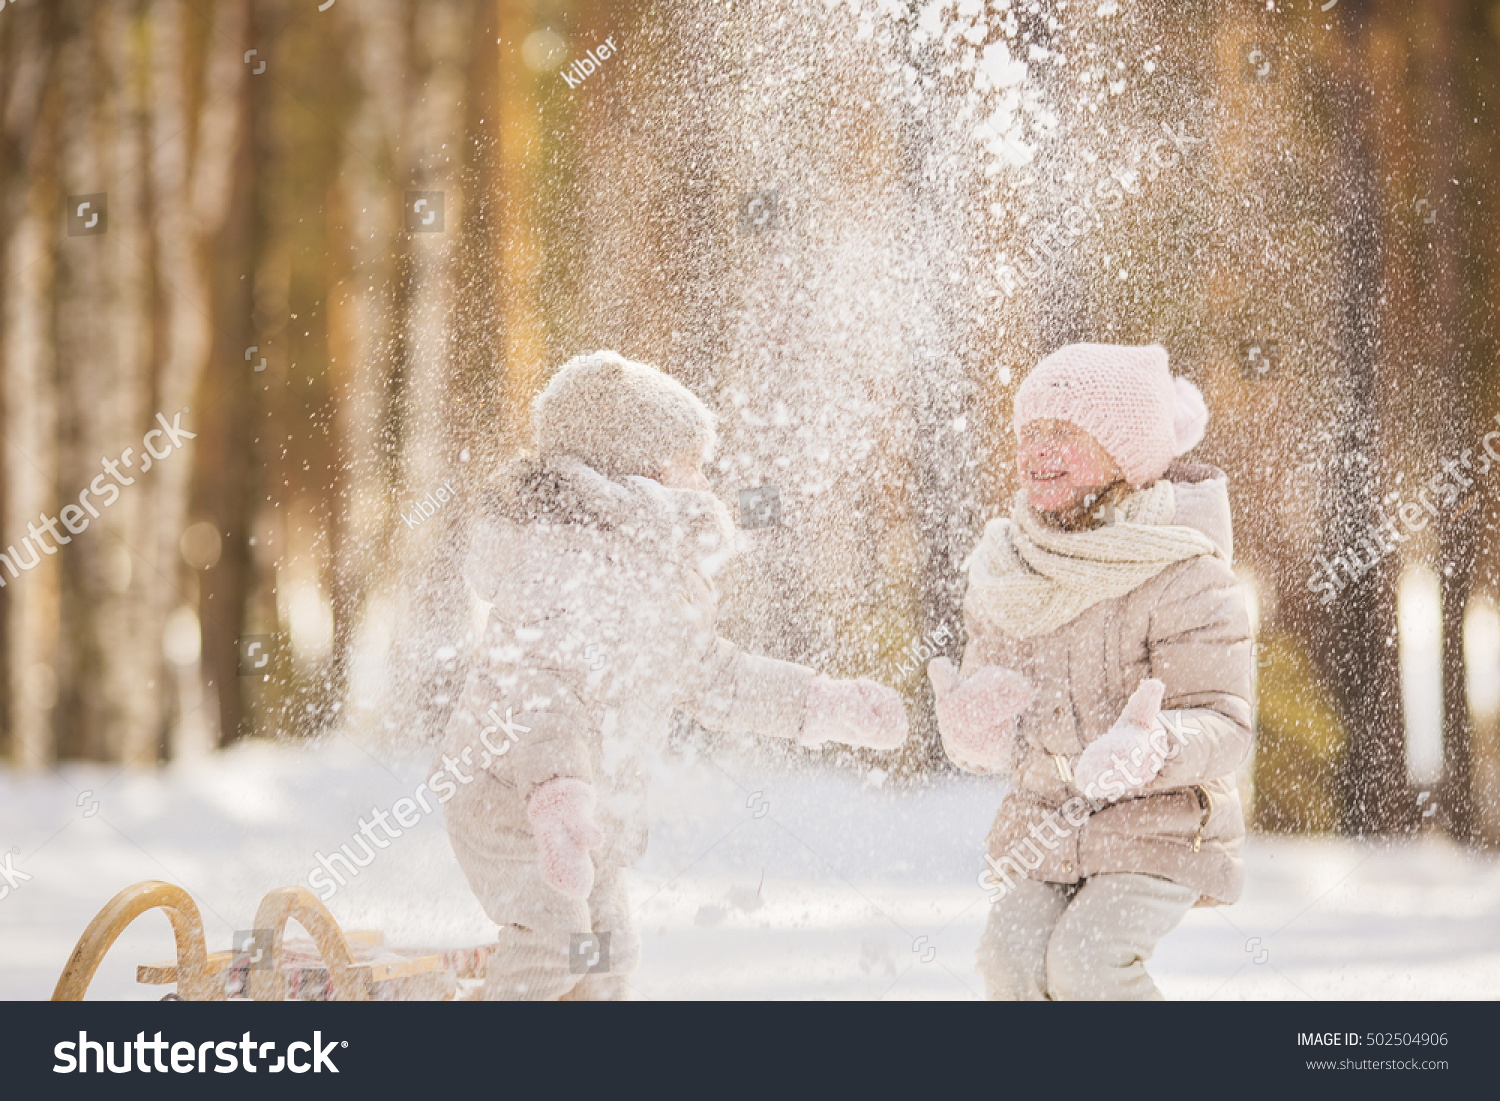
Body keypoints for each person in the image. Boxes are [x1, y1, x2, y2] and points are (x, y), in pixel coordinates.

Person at [441, 350, 909, 1000]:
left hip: (584, 807)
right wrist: (554, 794)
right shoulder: (558, 562)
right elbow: (540, 691)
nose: (704, 481)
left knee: (605, 952)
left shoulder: (651, 577)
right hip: (507, 796)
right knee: (552, 940)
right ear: (634, 471)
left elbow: (717, 677)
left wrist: (819, 703)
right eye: (688, 462)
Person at [930, 342, 1253, 1000]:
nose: (1039, 448)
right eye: (1030, 431)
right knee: (1009, 963)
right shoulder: (1011, 566)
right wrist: (978, 727)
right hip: (1047, 827)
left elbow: (1226, 721)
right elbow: (1003, 709)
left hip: (1158, 824)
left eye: (1065, 431)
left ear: (1123, 454)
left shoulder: (1186, 572)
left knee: (1087, 961)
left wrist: (1155, 742)